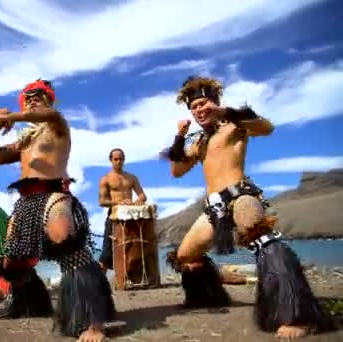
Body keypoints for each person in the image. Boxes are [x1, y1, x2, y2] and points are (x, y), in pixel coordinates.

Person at [161, 76, 332, 338]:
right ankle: (208, 298)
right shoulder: (198, 142)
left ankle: (297, 315)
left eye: (203, 103)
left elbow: (267, 127)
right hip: (214, 208)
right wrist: (179, 136)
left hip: (240, 196)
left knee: (261, 236)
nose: (199, 109)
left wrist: (225, 112)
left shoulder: (234, 125)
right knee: (185, 256)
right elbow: (176, 171)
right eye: (194, 106)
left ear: (215, 103)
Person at [0, 79, 115, 342]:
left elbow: (49, 114)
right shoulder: (24, 141)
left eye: (38, 95)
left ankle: (92, 320)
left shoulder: (57, 125)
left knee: (67, 247)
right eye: (27, 96)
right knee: (11, 264)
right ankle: (33, 303)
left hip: (54, 194)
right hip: (26, 203)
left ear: (49, 99)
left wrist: (15, 116)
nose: (32, 99)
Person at [97, 148, 147, 273]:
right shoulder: (106, 179)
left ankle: (132, 278)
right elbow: (102, 201)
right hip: (114, 216)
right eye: (116, 159)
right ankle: (97, 282)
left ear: (124, 160)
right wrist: (119, 203)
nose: (119, 161)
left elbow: (142, 196)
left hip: (130, 216)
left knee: (134, 248)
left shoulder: (132, 177)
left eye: (121, 159)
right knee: (107, 252)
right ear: (111, 160)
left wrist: (134, 203)